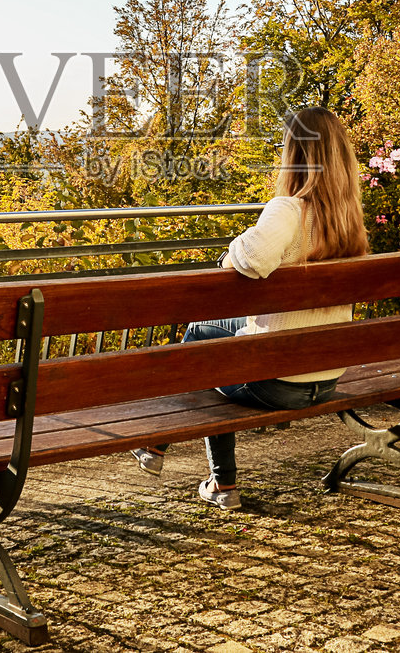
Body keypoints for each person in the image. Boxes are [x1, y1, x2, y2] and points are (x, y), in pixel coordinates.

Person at [129, 106, 370, 509]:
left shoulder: (289, 209)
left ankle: (193, 466)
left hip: (278, 384)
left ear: (294, 153)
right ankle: (174, 457)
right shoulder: (349, 217)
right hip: (326, 377)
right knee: (206, 336)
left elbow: (253, 258)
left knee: (204, 348)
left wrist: (233, 246)